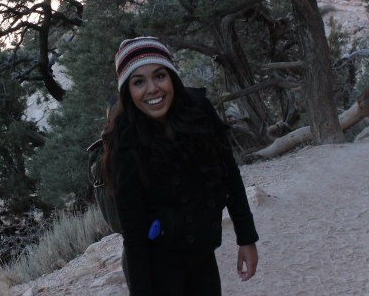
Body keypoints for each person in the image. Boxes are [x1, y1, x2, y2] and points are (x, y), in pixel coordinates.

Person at [101, 36, 259, 296]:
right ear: (127, 90)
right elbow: (133, 232)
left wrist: (247, 237)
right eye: (139, 82)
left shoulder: (198, 111)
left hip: (201, 254)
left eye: (159, 76)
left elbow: (229, 175)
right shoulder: (125, 141)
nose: (153, 89)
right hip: (156, 265)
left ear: (172, 77)